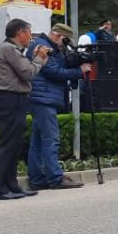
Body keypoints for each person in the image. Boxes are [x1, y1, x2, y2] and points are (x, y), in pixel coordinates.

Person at [0, 19, 47, 201]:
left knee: (14, 145)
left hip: (12, 99)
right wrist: (39, 58)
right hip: (9, 99)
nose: (30, 37)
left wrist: (35, 58)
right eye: (29, 32)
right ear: (20, 32)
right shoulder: (8, 49)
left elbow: (23, 69)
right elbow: (28, 73)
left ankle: (11, 186)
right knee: (8, 145)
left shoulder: (10, 50)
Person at [26, 24, 90, 190]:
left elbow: (61, 65)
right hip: (43, 99)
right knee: (50, 139)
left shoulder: (49, 47)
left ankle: (37, 178)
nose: (64, 45)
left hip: (42, 98)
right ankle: (55, 177)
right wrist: (80, 71)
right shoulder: (42, 46)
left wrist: (75, 58)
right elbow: (54, 71)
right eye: (64, 40)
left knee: (39, 141)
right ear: (58, 36)